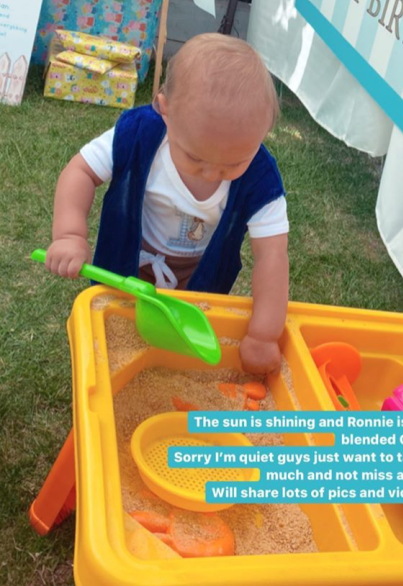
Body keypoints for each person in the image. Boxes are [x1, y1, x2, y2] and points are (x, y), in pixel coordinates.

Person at [45, 34, 289, 374]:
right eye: (195, 157)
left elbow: (272, 256)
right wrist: (70, 234)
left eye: (233, 164)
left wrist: (264, 335)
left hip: (200, 273)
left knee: (179, 350)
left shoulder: (261, 178)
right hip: (130, 259)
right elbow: (81, 171)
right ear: (164, 109)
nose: (212, 171)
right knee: (116, 335)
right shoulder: (140, 133)